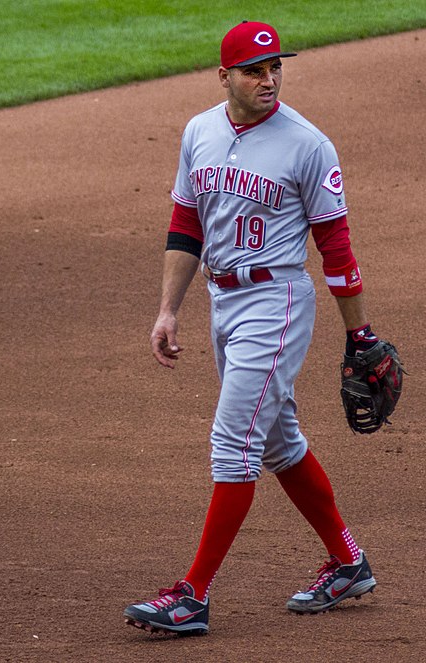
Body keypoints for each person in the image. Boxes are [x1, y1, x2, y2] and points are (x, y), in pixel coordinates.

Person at [124, 20, 378, 637]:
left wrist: (359, 336)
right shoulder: (199, 131)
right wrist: (168, 309)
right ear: (225, 76)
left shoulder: (308, 144)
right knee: (277, 443)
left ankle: (192, 595)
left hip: (277, 301)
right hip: (223, 303)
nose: (269, 80)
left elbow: (337, 250)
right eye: (254, 71)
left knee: (231, 443)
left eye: (276, 69)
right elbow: (187, 222)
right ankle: (348, 561)